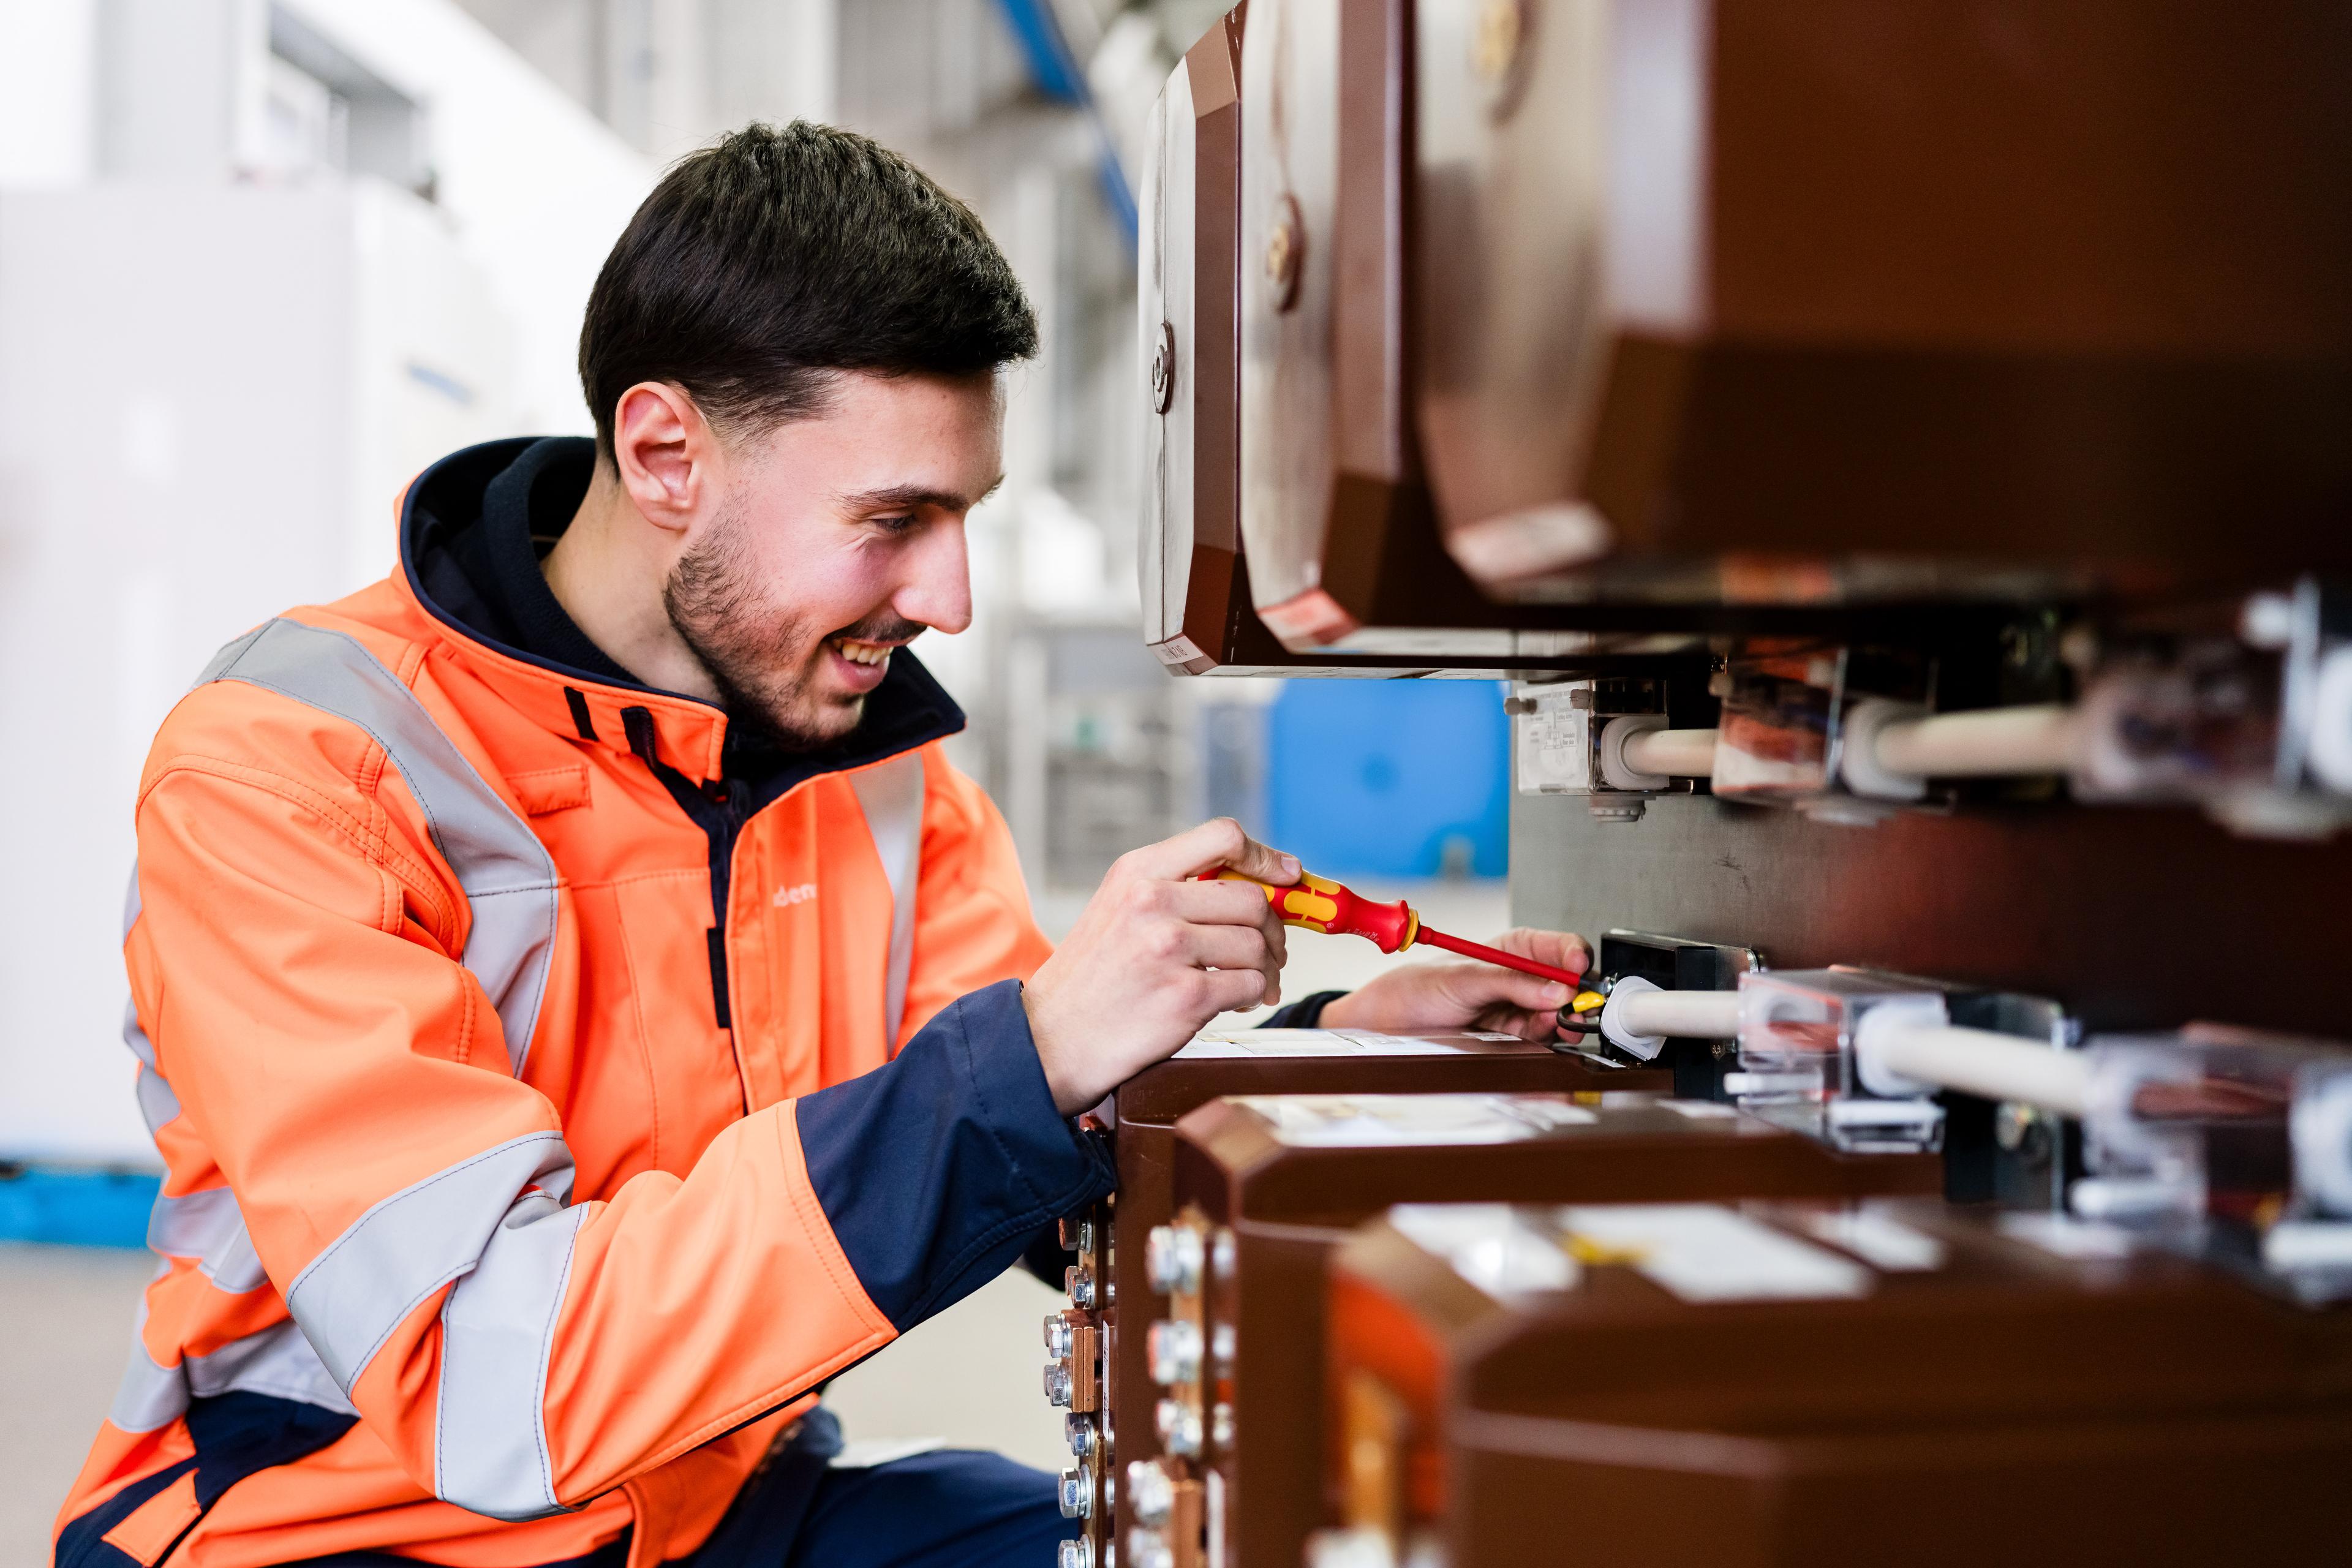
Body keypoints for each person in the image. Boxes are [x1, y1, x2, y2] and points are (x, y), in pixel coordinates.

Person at [54, 122, 1588, 1568]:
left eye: (965, 516)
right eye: (894, 518)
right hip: (347, 1522)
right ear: (667, 455)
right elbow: (502, 1378)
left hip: (720, 1498)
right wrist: (1026, 1057)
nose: (950, 598)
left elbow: (1042, 1152)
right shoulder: (293, 770)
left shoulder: (886, 785)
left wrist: (1333, 1062)